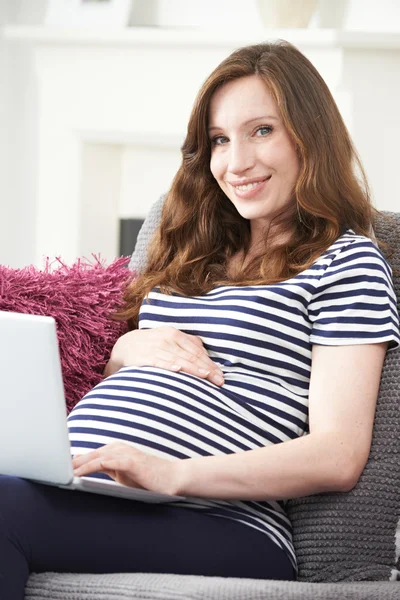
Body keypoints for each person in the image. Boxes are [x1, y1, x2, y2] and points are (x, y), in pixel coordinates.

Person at [1, 40, 399, 598]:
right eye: (219, 139)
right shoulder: (191, 245)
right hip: (87, 487)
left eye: (262, 131)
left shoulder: (346, 261)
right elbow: (139, 362)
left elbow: (338, 455)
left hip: (226, 522)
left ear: (311, 136)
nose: (236, 163)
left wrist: (172, 474)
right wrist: (127, 351)